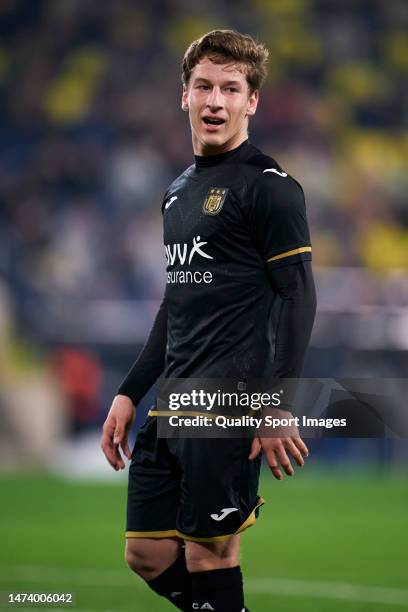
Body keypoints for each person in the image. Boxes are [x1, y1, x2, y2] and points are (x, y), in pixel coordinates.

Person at [101, 29, 316, 612]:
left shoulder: (270, 189)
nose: (215, 101)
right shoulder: (176, 194)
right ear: (184, 96)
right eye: (204, 86)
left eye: (230, 88)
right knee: (145, 553)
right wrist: (128, 392)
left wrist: (277, 401)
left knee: (210, 554)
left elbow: (298, 296)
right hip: (173, 399)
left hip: (229, 401)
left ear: (252, 102)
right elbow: (176, 305)